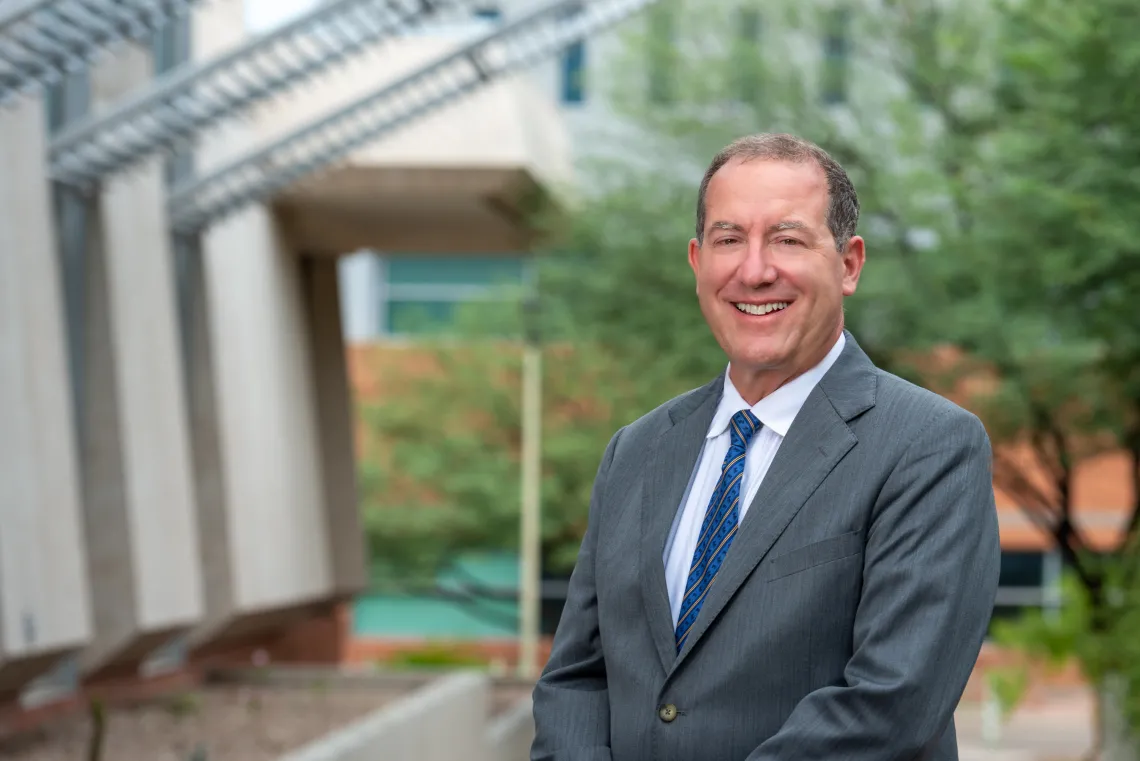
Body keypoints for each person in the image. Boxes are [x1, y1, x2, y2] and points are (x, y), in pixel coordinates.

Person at [530, 133, 1001, 761]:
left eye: (787, 238)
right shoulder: (636, 451)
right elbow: (577, 680)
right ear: (697, 262)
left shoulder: (929, 446)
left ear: (849, 263)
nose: (754, 270)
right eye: (729, 240)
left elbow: (892, 703)